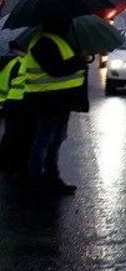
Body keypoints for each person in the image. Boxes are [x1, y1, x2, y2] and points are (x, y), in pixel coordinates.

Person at [20, 19, 90, 194]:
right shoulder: (44, 41)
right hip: (47, 100)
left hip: (59, 100)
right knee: (44, 141)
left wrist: (83, 56)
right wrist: (80, 60)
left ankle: (52, 178)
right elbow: (56, 69)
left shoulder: (57, 39)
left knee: (56, 139)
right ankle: (36, 181)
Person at [0, 38, 31, 178]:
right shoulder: (25, 62)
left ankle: (7, 163)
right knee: (21, 135)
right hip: (23, 103)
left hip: (12, 103)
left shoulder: (12, 63)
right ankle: (16, 166)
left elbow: (3, 85)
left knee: (11, 134)